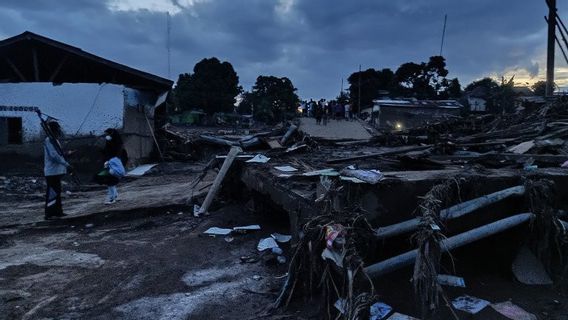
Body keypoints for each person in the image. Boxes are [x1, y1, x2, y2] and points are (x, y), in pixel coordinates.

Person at [44, 121, 72, 220]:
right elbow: (53, 156)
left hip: (57, 171)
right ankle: (49, 213)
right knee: (52, 192)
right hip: (52, 171)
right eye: (57, 129)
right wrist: (66, 163)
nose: (59, 130)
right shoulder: (49, 140)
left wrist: (66, 154)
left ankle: (58, 211)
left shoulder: (55, 140)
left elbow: (58, 154)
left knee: (57, 191)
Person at [95, 128, 127, 204]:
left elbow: (113, 153)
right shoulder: (111, 142)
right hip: (111, 162)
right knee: (111, 181)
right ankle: (114, 196)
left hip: (113, 163)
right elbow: (106, 151)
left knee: (110, 181)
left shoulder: (116, 143)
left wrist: (109, 160)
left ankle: (111, 198)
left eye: (107, 134)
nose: (106, 136)